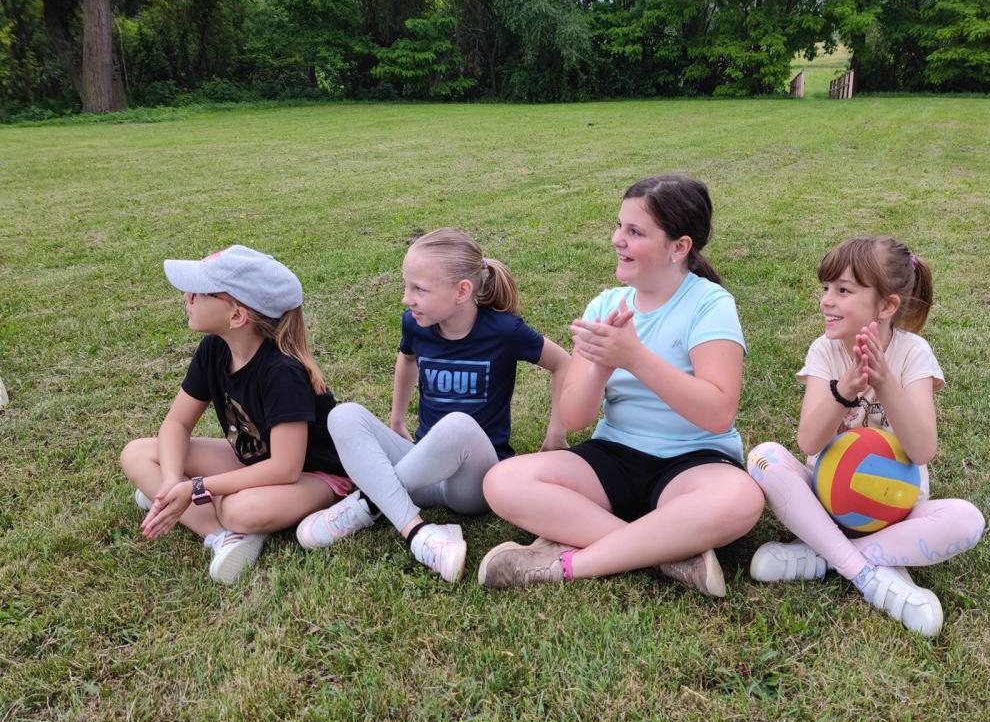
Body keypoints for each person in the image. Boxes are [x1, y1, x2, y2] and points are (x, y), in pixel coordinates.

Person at [477, 175, 764, 596]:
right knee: (502, 481)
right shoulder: (606, 305)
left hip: (694, 462)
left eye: (635, 232)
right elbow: (574, 418)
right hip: (613, 455)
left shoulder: (710, 304)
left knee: (740, 499)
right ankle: (669, 552)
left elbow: (718, 413)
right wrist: (601, 368)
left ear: (679, 247)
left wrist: (635, 358)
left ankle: (567, 564)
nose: (617, 240)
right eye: (618, 226)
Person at [295, 228, 570, 581]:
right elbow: (407, 359)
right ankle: (415, 527)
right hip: (422, 468)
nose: (406, 299)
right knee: (343, 416)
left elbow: (563, 364)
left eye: (419, 290)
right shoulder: (416, 324)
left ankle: (369, 502)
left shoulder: (504, 331)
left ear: (462, 291)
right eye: (406, 286)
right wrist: (396, 420)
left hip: (472, 483)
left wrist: (556, 435)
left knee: (457, 424)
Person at [746, 236, 985, 636]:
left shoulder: (914, 353)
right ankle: (869, 574)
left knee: (967, 520)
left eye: (843, 291)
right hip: (826, 504)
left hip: (896, 515)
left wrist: (885, 381)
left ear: (887, 306)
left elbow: (922, 449)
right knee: (763, 457)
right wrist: (845, 390)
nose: (826, 300)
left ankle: (823, 556)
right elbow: (808, 443)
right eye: (826, 288)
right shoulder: (825, 351)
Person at [120, 245, 351, 586]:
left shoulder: (282, 372)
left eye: (200, 293)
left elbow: (285, 469)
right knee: (137, 453)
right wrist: (170, 480)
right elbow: (177, 423)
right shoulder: (214, 348)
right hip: (253, 461)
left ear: (237, 316)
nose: (187, 298)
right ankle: (220, 535)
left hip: (313, 475)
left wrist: (196, 487)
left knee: (238, 510)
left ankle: (218, 516)